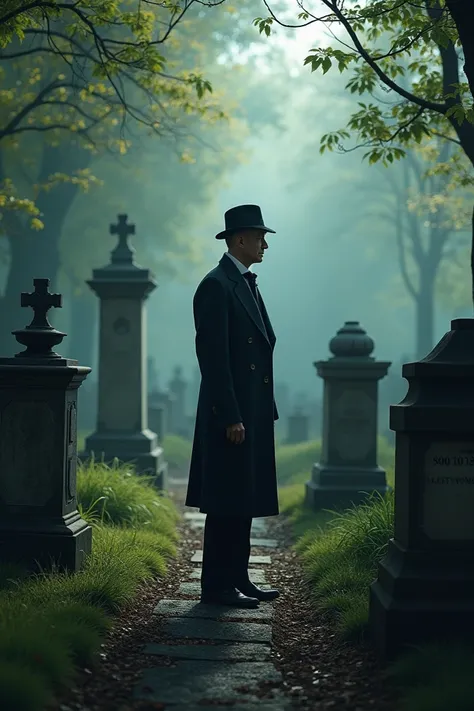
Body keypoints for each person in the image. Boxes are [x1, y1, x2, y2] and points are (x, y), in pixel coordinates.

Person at [186, 204, 280, 609]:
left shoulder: (243, 282)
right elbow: (214, 358)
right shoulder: (216, 285)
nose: (264, 244)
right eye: (260, 237)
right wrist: (231, 415)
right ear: (238, 240)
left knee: (243, 500)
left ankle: (239, 578)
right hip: (232, 416)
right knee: (226, 502)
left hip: (252, 411)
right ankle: (216, 587)